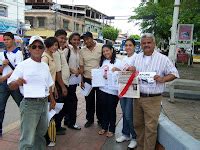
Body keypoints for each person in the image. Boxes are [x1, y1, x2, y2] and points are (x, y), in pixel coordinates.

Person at [7, 35, 56, 149]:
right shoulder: (23, 65)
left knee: (40, 135)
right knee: (27, 138)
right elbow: (10, 85)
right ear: (29, 49)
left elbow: (48, 85)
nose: (37, 49)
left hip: (43, 103)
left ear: (43, 49)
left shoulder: (44, 66)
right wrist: (17, 82)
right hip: (30, 104)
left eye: (40, 46)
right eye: (34, 46)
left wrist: (52, 100)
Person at [133, 33, 179, 150]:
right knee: (138, 125)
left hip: (153, 99)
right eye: (144, 43)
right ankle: (140, 147)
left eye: (149, 42)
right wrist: (130, 69)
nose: (146, 45)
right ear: (141, 45)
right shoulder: (137, 57)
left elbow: (174, 73)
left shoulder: (163, 59)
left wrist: (163, 79)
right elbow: (130, 72)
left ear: (154, 44)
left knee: (150, 127)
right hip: (138, 97)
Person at [0, 32, 23, 136]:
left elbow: (17, 70)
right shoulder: (1, 54)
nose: (6, 41)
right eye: (4, 40)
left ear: (13, 40)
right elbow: (0, 70)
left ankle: (26, 126)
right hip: (3, 84)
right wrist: (3, 65)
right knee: (0, 107)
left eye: (8, 39)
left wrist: (4, 77)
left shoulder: (18, 53)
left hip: (14, 83)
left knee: (22, 105)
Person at [115, 38, 137, 149]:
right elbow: (122, 73)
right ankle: (125, 134)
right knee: (124, 114)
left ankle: (134, 137)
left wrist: (134, 69)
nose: (128, 47)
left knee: (129, 115)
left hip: (132, 91)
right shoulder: (124, 58)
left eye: (130, 45)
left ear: (134, 46)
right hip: (122, 90)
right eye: (126, 45)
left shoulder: (137, 58)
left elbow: (139, 72)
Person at [79, 32, 103, 128]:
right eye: (84, 40)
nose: (86, 41)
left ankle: (100, 120)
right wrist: (81, 81)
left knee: (100, 101)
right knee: (89, 101)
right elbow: (81, 66)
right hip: (87, 79)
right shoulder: (82, 51)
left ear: (92, 38)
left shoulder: (101, 47)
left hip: (100, 79)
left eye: (88, 39)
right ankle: (90, 119)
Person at [97, 44, 121, 137]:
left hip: (113, 91)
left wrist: (118, 70)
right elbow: (100, 73)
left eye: (107, 50)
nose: (105, 53)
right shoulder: (102, 61)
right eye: (104, 51)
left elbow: (123, 75)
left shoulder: (118, 62)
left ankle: (111, 129)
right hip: (102, 89)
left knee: (111, 109)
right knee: (103, 109)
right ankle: (104, 127)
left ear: (112, 50)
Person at [42, 37, 59, 146]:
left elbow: (51, 76)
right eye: (53, 45)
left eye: (56, 45)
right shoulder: (45, 58)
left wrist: (55, 88)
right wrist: (51, 98)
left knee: (49, 115)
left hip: (51, 89)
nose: (55, 47)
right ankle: (46, 139)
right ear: (48, 45)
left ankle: (47, 138)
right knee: (47, 116)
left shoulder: (51, 55)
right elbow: (45, 79)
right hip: (46, 92)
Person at [53, 29, 70, 135]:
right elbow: (57, 72)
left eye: (65, 38)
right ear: (55, 37)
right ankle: (54, 128)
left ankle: (58, 126)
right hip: (59, 85)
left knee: (62, 107)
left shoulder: (60, 51)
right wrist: (63, 87)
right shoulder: (55, 52)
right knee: (58, 108)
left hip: (63, 84)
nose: (63, 40)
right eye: (61, 38)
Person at [64, 32, 81, 130]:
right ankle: (72, 122)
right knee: (73, 101)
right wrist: (72, 70)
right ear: (70, 40)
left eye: (78, 40)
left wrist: (78, 70)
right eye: (74, 39)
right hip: (68, 79)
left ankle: (67, 120)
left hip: (75, 80)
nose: (76, 41)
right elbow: (64, 64)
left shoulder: (78, 50)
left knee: (69, 101)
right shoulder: (67, 49)